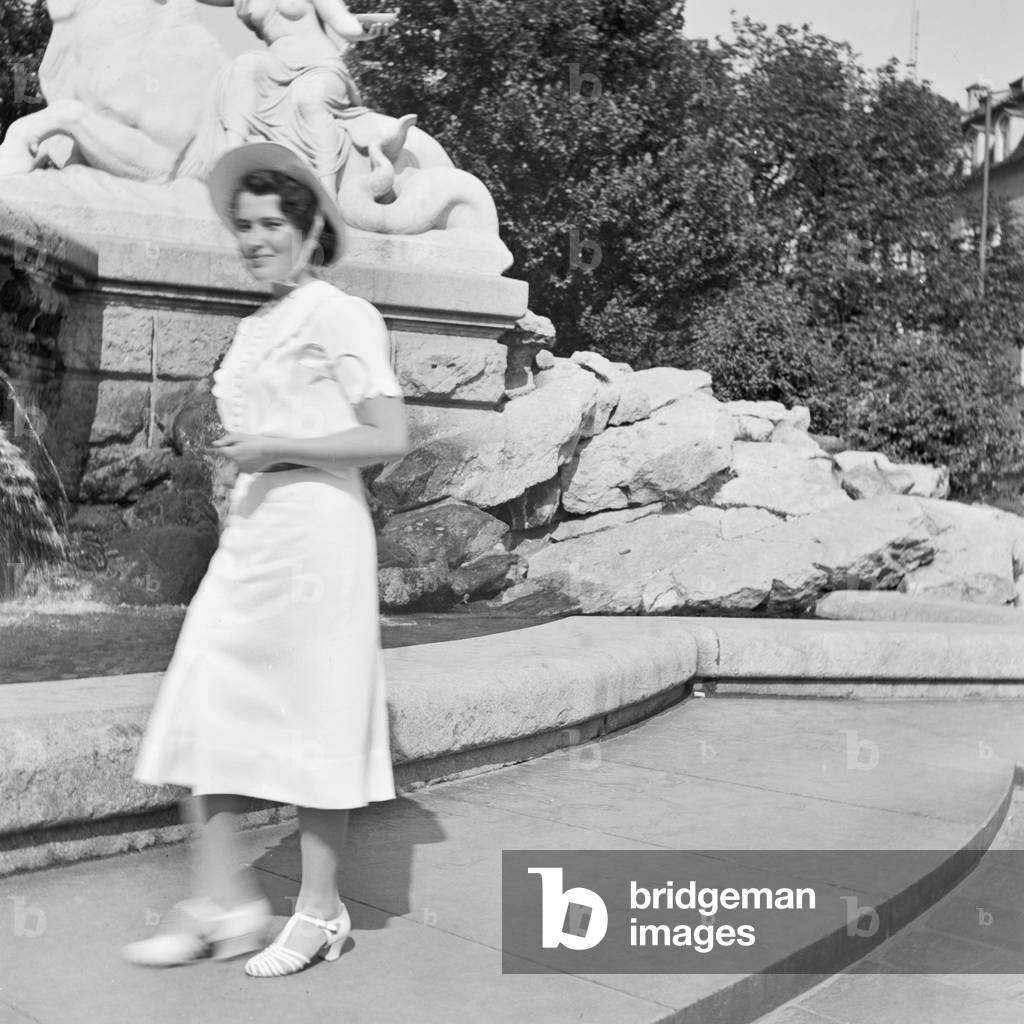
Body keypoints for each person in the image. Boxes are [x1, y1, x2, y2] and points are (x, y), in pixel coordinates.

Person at [122, 140, 411, 978]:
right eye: (241, 225)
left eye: (269, 223)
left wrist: (278, 443)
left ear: (310, 225)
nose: (252, 238)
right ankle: (225, 902)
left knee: (318, 709)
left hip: (318, 529)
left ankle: (320, 910)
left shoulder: (339, 313)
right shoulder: (257, 323)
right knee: (201, 702)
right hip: (254, 532)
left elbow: (388, 435)